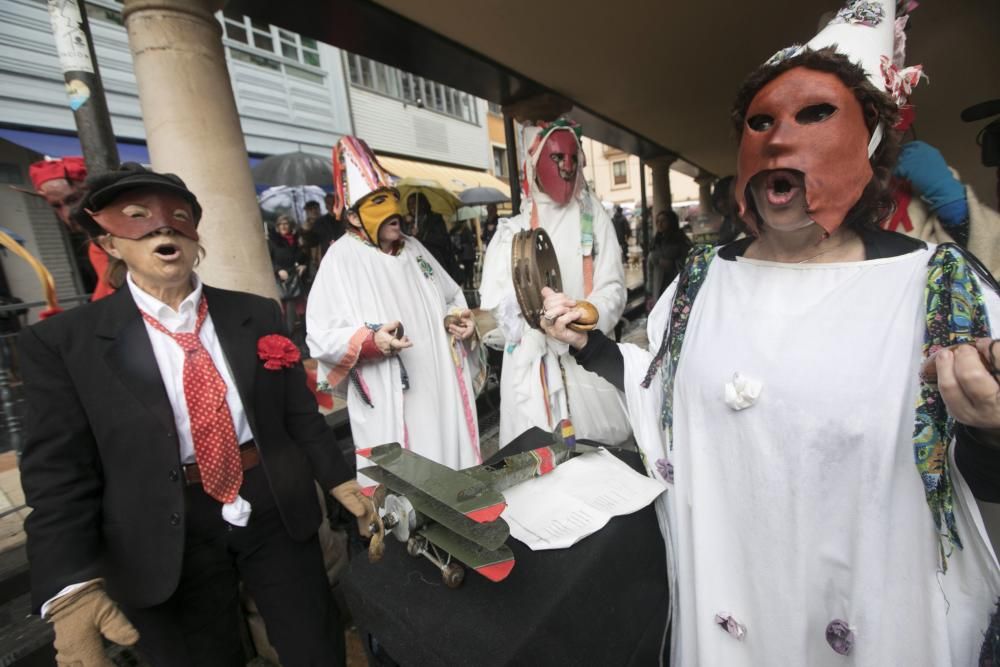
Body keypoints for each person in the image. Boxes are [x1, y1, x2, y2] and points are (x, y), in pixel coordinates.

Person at [539, 4, 1000, 663]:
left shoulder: (937, 289)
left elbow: (975, 479)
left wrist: (989, 430)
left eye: (816, 114)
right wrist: (593, 345)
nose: (782, 140)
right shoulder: (704, 278)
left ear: (872, 144)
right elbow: (665, 399)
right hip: (732, 620)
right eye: (763, 121)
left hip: (871, 626)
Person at [18, 162, 373, 666]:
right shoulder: (62, 345)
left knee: (315, 643)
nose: (163, 229)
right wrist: (69, 588)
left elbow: (298, 414)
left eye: (176, 217)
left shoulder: (256, 314)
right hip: (160, 526)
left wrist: (341, 482)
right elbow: (57, 473)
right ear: (110, 242)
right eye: (138, 217)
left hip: (271, 502)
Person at [308, 137, 484, 477]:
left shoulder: (415, 248)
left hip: (442, 386)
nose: (395, 213)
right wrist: (371, 342)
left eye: (394, 201)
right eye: (379, 204)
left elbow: (451, 296)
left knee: (455, 474)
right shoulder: (341, 259)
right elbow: (320, 336)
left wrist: (458, 319)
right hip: (392, 395)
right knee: (411, 489)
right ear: (355, 217)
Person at [479, 118, 629, 448]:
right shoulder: (511, 233)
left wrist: (586, 314)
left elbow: (613, 287)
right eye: (557, 158)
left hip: (584, 359)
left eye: (573, 158)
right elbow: (495, 310)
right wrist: (524, 317)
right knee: (537, 464)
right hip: (530, 376)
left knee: (595, 465)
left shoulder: (595, 218)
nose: (566, 166)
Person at [29, 156, 116, 299]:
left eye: (74, 199)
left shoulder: (126, 236)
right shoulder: (95, 246)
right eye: (57, 206)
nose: (67, 213)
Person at [267, 214, 308, 342]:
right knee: (288, 316)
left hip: (298, 281)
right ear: (277, 227)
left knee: (302, 315)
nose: (284, 226)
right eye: (281, 224)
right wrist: (278, 270)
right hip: (283, 283)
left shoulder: (297, 240)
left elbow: (304, 258)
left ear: (291, 226)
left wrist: (303, 265)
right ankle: (292, 343)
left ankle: (304, 343)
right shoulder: (272, 242)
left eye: (286, 224)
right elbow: (268, 261)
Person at [407, 192, 457, 281]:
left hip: (434, 260)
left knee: (434, 283)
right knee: (426, 284)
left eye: (414, 203)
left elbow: (442, 239)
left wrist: (421, 236)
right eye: (409, 204)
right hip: (419, 262)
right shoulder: (410, 223)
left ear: (422, 204)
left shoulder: (435, 219)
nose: (412, 207)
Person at [646, 209, 691, 300]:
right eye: (658, 221)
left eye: (663, 221)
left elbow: (689, 260)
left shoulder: (681, 240)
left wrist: (673, 264)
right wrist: (650, 287)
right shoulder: (656, 241)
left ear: (671, 222)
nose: (660, 224)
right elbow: (650, 266)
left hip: (675, 283)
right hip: (658, 285)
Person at [451, 219, 477, 288]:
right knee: (469, 270)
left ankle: (467, 284)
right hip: (467, 253)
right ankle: (468, 284)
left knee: (467, 270)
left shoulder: (461, 231)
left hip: (465, 253)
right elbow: (472, 240)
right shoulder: (463, 231)